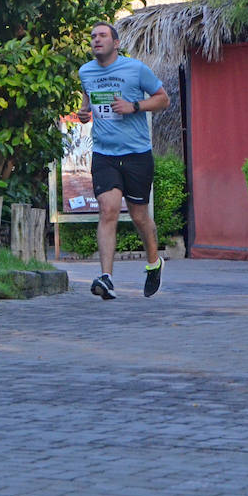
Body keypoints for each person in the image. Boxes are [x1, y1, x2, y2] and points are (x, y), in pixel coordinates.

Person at [75, 22, 171, 300]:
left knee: (140, 216)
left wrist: (134, 106)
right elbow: (88, 99)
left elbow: (163, 99)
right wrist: (84, 113)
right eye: (92, 36)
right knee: (108, 210)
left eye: (102, 35)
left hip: (136, 154)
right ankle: (106, 278)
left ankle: (154, 262)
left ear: (116, 43)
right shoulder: (85, 71)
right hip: (104, 154)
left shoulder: (135, 68)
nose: (96, 40)